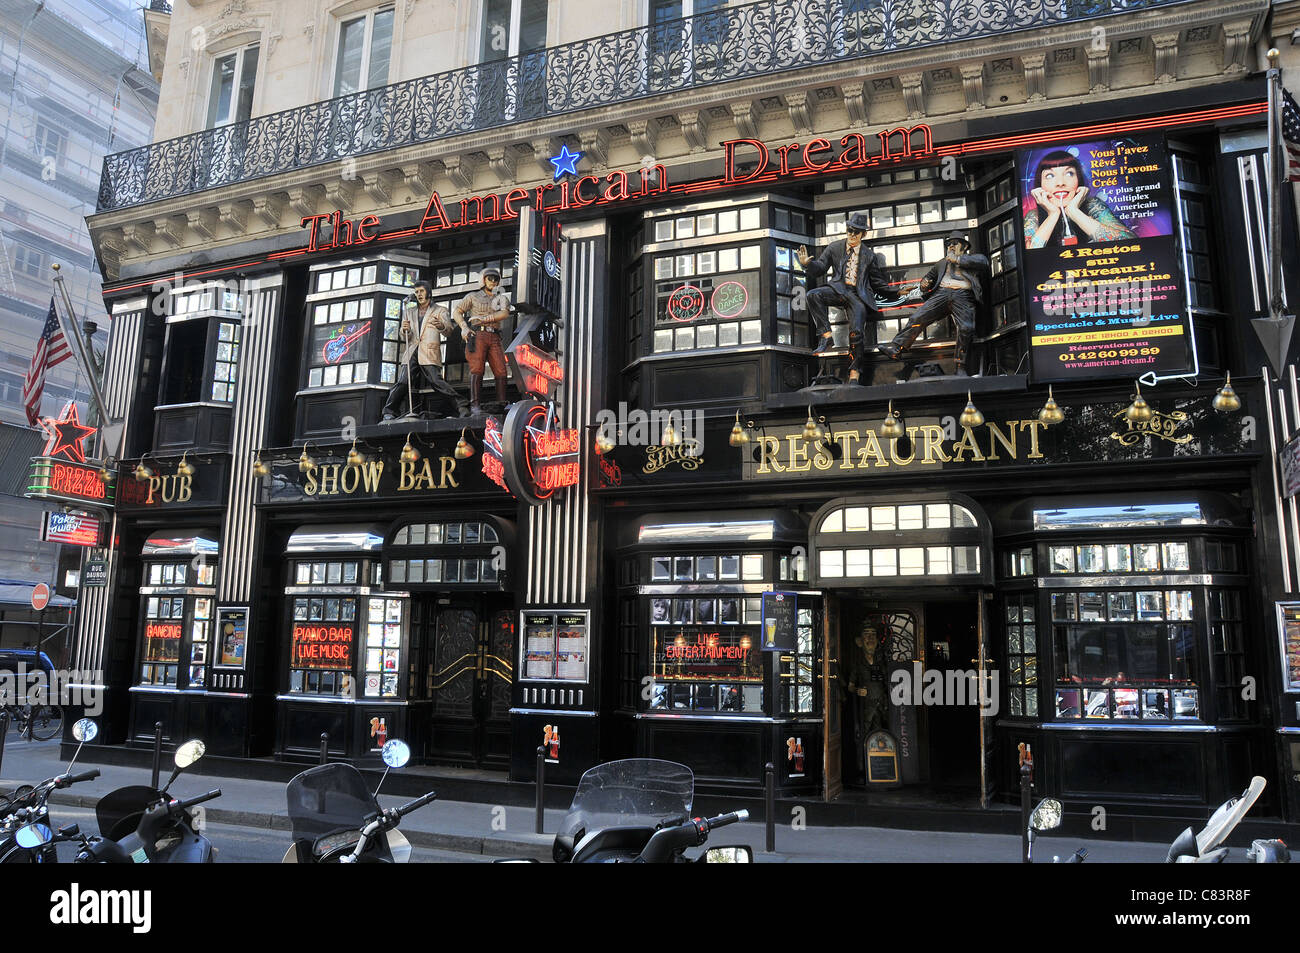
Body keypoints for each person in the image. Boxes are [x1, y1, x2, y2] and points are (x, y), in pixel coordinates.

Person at [797, 211, 896, 384]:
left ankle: (854, 374)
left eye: (856, 231)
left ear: (863, 234)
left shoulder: (869, 256)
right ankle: (826, 336)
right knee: (813, 295)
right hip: (838, 289)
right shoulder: (834, 247)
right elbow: (820, 267)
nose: (851, 234)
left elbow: (878, 283)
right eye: (849, 230)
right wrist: (807, 264)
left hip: (858, 295)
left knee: (857, 333)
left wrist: (898, 292)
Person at [878, 230, 990, 376]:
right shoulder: (941, 264)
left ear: (964, 246)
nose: (950, 246)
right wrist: (925, 284)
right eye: (948, 244)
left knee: (966, 328)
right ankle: (897, 348)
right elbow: (927, 279)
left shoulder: (973, 259)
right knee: (918, 317)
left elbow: (984, 263)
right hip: (942, 293)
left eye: (954, 243)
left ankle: (960, 366)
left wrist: (958, 260)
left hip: (963, 296)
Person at [1023, 149, 1136, 249]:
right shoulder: (1034, 216)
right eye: (1050, 176)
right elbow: (1027, 257)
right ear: (1040, 185)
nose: (1060, 183)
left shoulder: (1093, 205)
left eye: (1069, 174)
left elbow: (1132, 244)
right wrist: (1053, 214)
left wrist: (1074, 212)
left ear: (1079, 179)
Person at [381, 280, 459, 420]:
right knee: (403, 381)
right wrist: (405, 330)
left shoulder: (440, 310)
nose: (419, 294)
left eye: (421, 291)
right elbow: (406, 335)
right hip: (412, 350)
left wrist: (441, 326)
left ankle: (461, 406)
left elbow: (449, 331)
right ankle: (389, 411)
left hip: (429, 351)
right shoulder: (409, 311)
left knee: (436, 381)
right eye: (416, 292)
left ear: (428, 292)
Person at [452, 267, 512, 414]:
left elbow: (505, 313)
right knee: (477, 368)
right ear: (483, 279)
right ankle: (475, 406)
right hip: (478, 335)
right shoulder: (473, 296)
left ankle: (501, 404)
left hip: (495, 336)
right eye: (490, 278)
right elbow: (457, 311)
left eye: (495, 279)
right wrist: (464, 327)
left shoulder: (502, 298)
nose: (493, 281)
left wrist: (485, 319)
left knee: (501, 370)